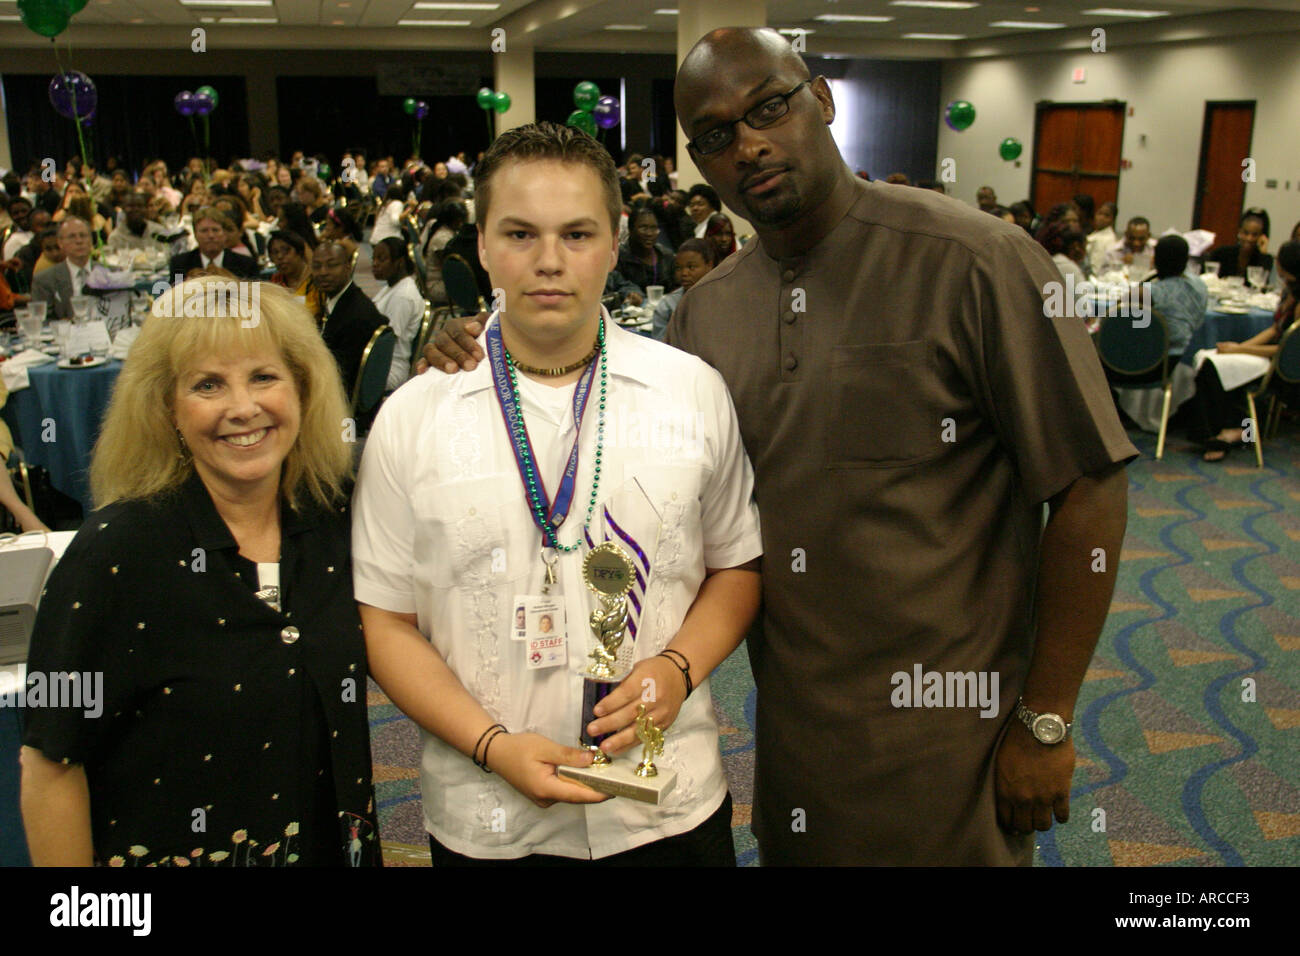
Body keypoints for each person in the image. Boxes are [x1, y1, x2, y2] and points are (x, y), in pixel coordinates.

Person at [424, 28, 1136, 866]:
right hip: (798, 729)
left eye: (769, 107)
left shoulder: (977, 261)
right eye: (717, 137)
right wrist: (485, 346)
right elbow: (633, 462)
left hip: (957, 729)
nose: (749, 144)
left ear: (823, 101)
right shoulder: (710, 312)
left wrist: (1045, 717)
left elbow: (1091, 485)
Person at [353, 120, 762, 865]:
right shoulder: (414, 418)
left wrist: (676, 671)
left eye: (577, 235)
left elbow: (738, 566)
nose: (548, 262)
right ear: (481, 246)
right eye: (519, 234)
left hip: (666, 800)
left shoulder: (691, 392)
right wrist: (491, 745)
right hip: (488, 813)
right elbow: (384, 619)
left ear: (616, 242)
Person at [19, 276, 380, 866]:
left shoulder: (337, 517)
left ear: (304, 389)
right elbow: (50, 762)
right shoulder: (115, 553)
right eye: (208, 385)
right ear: (167, 410)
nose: (243, 408)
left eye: (264, 377)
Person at [1188, 239, 1300, 462]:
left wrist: (1242, 349)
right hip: (1271, 355)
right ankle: (1233, 430)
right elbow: (1274, 330)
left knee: (1214, 368)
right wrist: (1241, 348)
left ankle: (1227, 432)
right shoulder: (1290, 292)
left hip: (1281, 366)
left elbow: (1285, 349)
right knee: (1207, 357)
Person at [309, 239, 386, 397]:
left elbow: (340, 377)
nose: (323, 272)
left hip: (339, 399)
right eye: (317, 267)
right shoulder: (337, 300)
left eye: (332, 265)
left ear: (347, 267)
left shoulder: (357, 316)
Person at [369, 236, 425, 391]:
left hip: (390, 367)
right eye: (374, 258)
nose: (375, 264)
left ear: (399, 262)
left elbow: (387, 342)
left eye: (381, 259)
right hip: (381, 361)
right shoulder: (392, 286)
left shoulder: (403, 296)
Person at [1146, 234, 1207, 356]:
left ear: (1155, 260)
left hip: (1155, 358)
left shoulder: (1150, 292)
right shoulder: (1200, 284)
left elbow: (1113, 317)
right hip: (1189, 354)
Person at [652, 238, 716, 340]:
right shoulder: (668, 306)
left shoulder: (722, 300)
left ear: (709, 265)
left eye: (691, 267)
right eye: (678, 268)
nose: (684, 273)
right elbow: (660, 345)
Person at [30, 217, 94, 318]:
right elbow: (42, 321)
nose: (79, 241)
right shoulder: (44, 280)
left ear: (91, 240)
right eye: (71, 237)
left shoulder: (111, 273)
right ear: (60, 243)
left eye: (83, 235)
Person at [169, 208, 259, 280]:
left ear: (224, 233)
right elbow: (176, 298)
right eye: (204, 231)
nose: (211, 235)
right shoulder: (180, 264)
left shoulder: (245, 264)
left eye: (215, 230)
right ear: (195, 234)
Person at [617, 205, 677, 295]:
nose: (649, 233)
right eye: (643, 228)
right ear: (630, 229)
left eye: (654, 228)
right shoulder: (618, 257)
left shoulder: (666, 255)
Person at [1204, 210, 1272, 286]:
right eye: (1245, 233)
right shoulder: (1221, 253)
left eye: (1254, 235)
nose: (1249, 238)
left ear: (1261, 236)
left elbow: (1261, 286)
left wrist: (1263, 254)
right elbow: (1207, 279)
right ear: (1239, 232)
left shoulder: (1264, 259)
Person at [267, 228, 320, 316]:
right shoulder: (275, 282)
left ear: (300, 252)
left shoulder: (316, 280)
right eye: (275, 252)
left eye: (285, 250)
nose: (280, 256)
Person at [1087, 201, 1118, 276]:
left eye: (1106, 216)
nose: (1101, 218)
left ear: (1113, 220)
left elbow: (1096, 267)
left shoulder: (1108, 239)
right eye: (1099, 213)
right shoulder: (1095, 233)